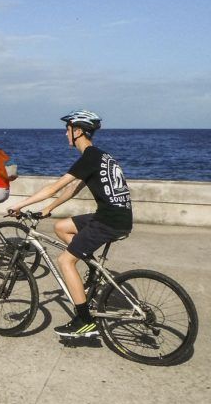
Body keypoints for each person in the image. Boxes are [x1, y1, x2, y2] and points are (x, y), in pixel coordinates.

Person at [8, 110, 132, 338]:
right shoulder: (100, 156)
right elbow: (72, 189)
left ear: (77, 131)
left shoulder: (89, 157)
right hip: (117, 216)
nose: (65, 134)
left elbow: (53, 188)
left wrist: (21, 205)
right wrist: (48, 209)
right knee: (61, 227)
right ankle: (90, 268)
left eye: (67, 130)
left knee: (65, 261)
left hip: (109, 221)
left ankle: (85, 321)